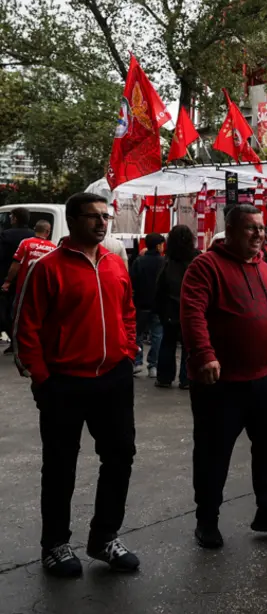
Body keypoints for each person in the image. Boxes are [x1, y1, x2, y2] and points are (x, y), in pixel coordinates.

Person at [14, 193, 140, 577]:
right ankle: (55, 544)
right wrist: (42, 378)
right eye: (95, 216)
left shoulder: (116, 264)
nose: (103, 222)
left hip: (113, 379)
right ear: (73, 219)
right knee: (60, 465)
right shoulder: (47, 267)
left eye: (107, 216)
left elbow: (128, 312)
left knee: (119, 457)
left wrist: (128, 351)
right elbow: (25, 327)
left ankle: (104, 538)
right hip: (64, 383)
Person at [181, 203, 267, 549]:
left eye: (262, 228)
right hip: (220, 383)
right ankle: (207, 520)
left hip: (265, 378)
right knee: (212, 453)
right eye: (251, 228)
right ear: (231, 231)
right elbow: (192, 313)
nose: (259, 234)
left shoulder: (264, 268)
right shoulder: (205, 266)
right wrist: (204, 355)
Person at [154, 225, 197, 389]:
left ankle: (164, 377)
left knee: (167, 343)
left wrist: (159, 310)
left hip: (170, 310)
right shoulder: (197, 259)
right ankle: (186, 378)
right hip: (191, 309)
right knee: (189, 346)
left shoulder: (167, 262)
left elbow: (159, 288)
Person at [130, 233, 166, 377]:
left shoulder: (139, 261)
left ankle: (137, 362)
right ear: (158, 246)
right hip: (158, 305)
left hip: (140, 303)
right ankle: (153, 366)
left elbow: (132, 281)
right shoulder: (164, 262)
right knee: (157, 336)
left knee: (137, 335)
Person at [0, 206, 35, 346]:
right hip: (28, 278)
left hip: (7, 277)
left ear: (15, 219)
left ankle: (14, 339)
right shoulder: (33, 235)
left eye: (11, 217)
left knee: (5, 310)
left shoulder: (6, 235)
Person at [3, 220, 55, 300]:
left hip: (24, 287)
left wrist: (8, 281)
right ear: (48, 232)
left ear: (34, 229)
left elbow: (15, 265)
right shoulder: (53, 248)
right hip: (41, 289)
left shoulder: (26, 243)